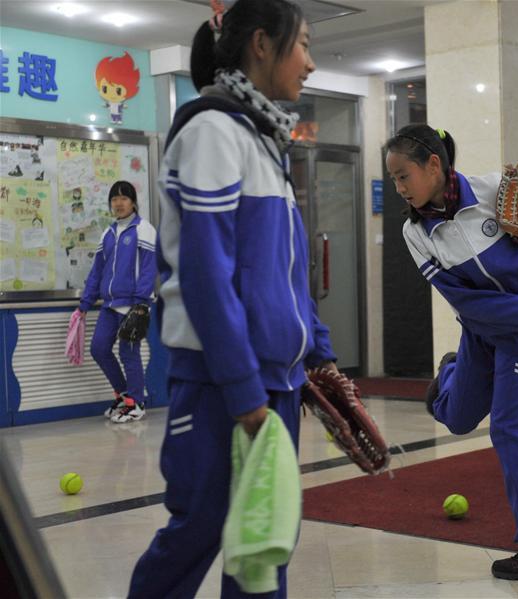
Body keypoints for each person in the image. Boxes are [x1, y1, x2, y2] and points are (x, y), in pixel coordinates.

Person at [127, 1, 337, 596]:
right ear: (264, 45)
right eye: (304, 45)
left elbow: (287, 275)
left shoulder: (265, 140)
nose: (312, 63)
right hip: (223, 382)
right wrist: (243, 386)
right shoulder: (213, 130)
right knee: (200, 531)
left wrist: (317, 358)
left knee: (263, 541)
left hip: (274, 377)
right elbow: (204, 274)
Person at [386, 124, 518, 581]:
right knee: (457, 417)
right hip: (483, 325)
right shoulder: (415, 232)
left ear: (434, 164)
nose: (399, 188)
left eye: (403, 175)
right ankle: (450, 373)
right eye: (393, 179)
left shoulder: (494, 189)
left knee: (513, 429)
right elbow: (464, 299)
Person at [78, 180, 156, 423]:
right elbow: (97, 271)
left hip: (133, 304)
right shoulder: (108, 233)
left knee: (128, 353)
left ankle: (137, 404)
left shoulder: (144, 229)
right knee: (99, 349)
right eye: (114, 199)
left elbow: (148, 268)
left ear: (133, 202)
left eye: (123, 198)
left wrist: (141, 303)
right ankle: (125, 396)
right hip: (110, 305)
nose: (118, 203)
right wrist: (85, 303)